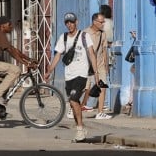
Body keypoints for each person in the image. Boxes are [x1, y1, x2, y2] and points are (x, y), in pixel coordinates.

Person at [47, 13, 91, 142]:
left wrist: (96, 73)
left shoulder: (84, 36)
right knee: (73, 103)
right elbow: (57, 55)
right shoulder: (63, 38)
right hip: (69, 75)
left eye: (71, 22)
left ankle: (79, 129)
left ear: (76, 22)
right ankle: (81, 129)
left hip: (81, 73)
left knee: (73, 99)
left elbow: (92, 53)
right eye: (67, 22)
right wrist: (49, 70)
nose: (69, 25)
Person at [80, 10, 112, 119]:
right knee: (85, 88)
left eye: (104, 22)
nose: (103, 24)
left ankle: (100, 112)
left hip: (100, 65)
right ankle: (75, 108)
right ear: (94, 22)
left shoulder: (103, 34)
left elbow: (104, 50)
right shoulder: (85, 33)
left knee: (102, 87)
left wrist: (106, 65)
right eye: (101, 22)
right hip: (86, 66)